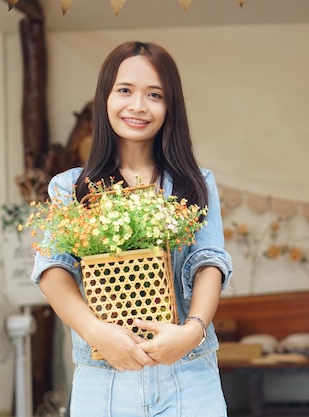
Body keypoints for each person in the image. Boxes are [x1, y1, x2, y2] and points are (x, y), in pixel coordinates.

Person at [31, 41, 233, 417]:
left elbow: (210, 262)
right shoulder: (69, 187)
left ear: (170, 105)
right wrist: (97, 333)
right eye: (124, 90)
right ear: (104, 98)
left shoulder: (197, 184)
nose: (138, 106)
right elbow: (52, 270)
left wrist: (191, 332)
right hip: (104, 380)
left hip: (189, 376)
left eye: (154, 94)